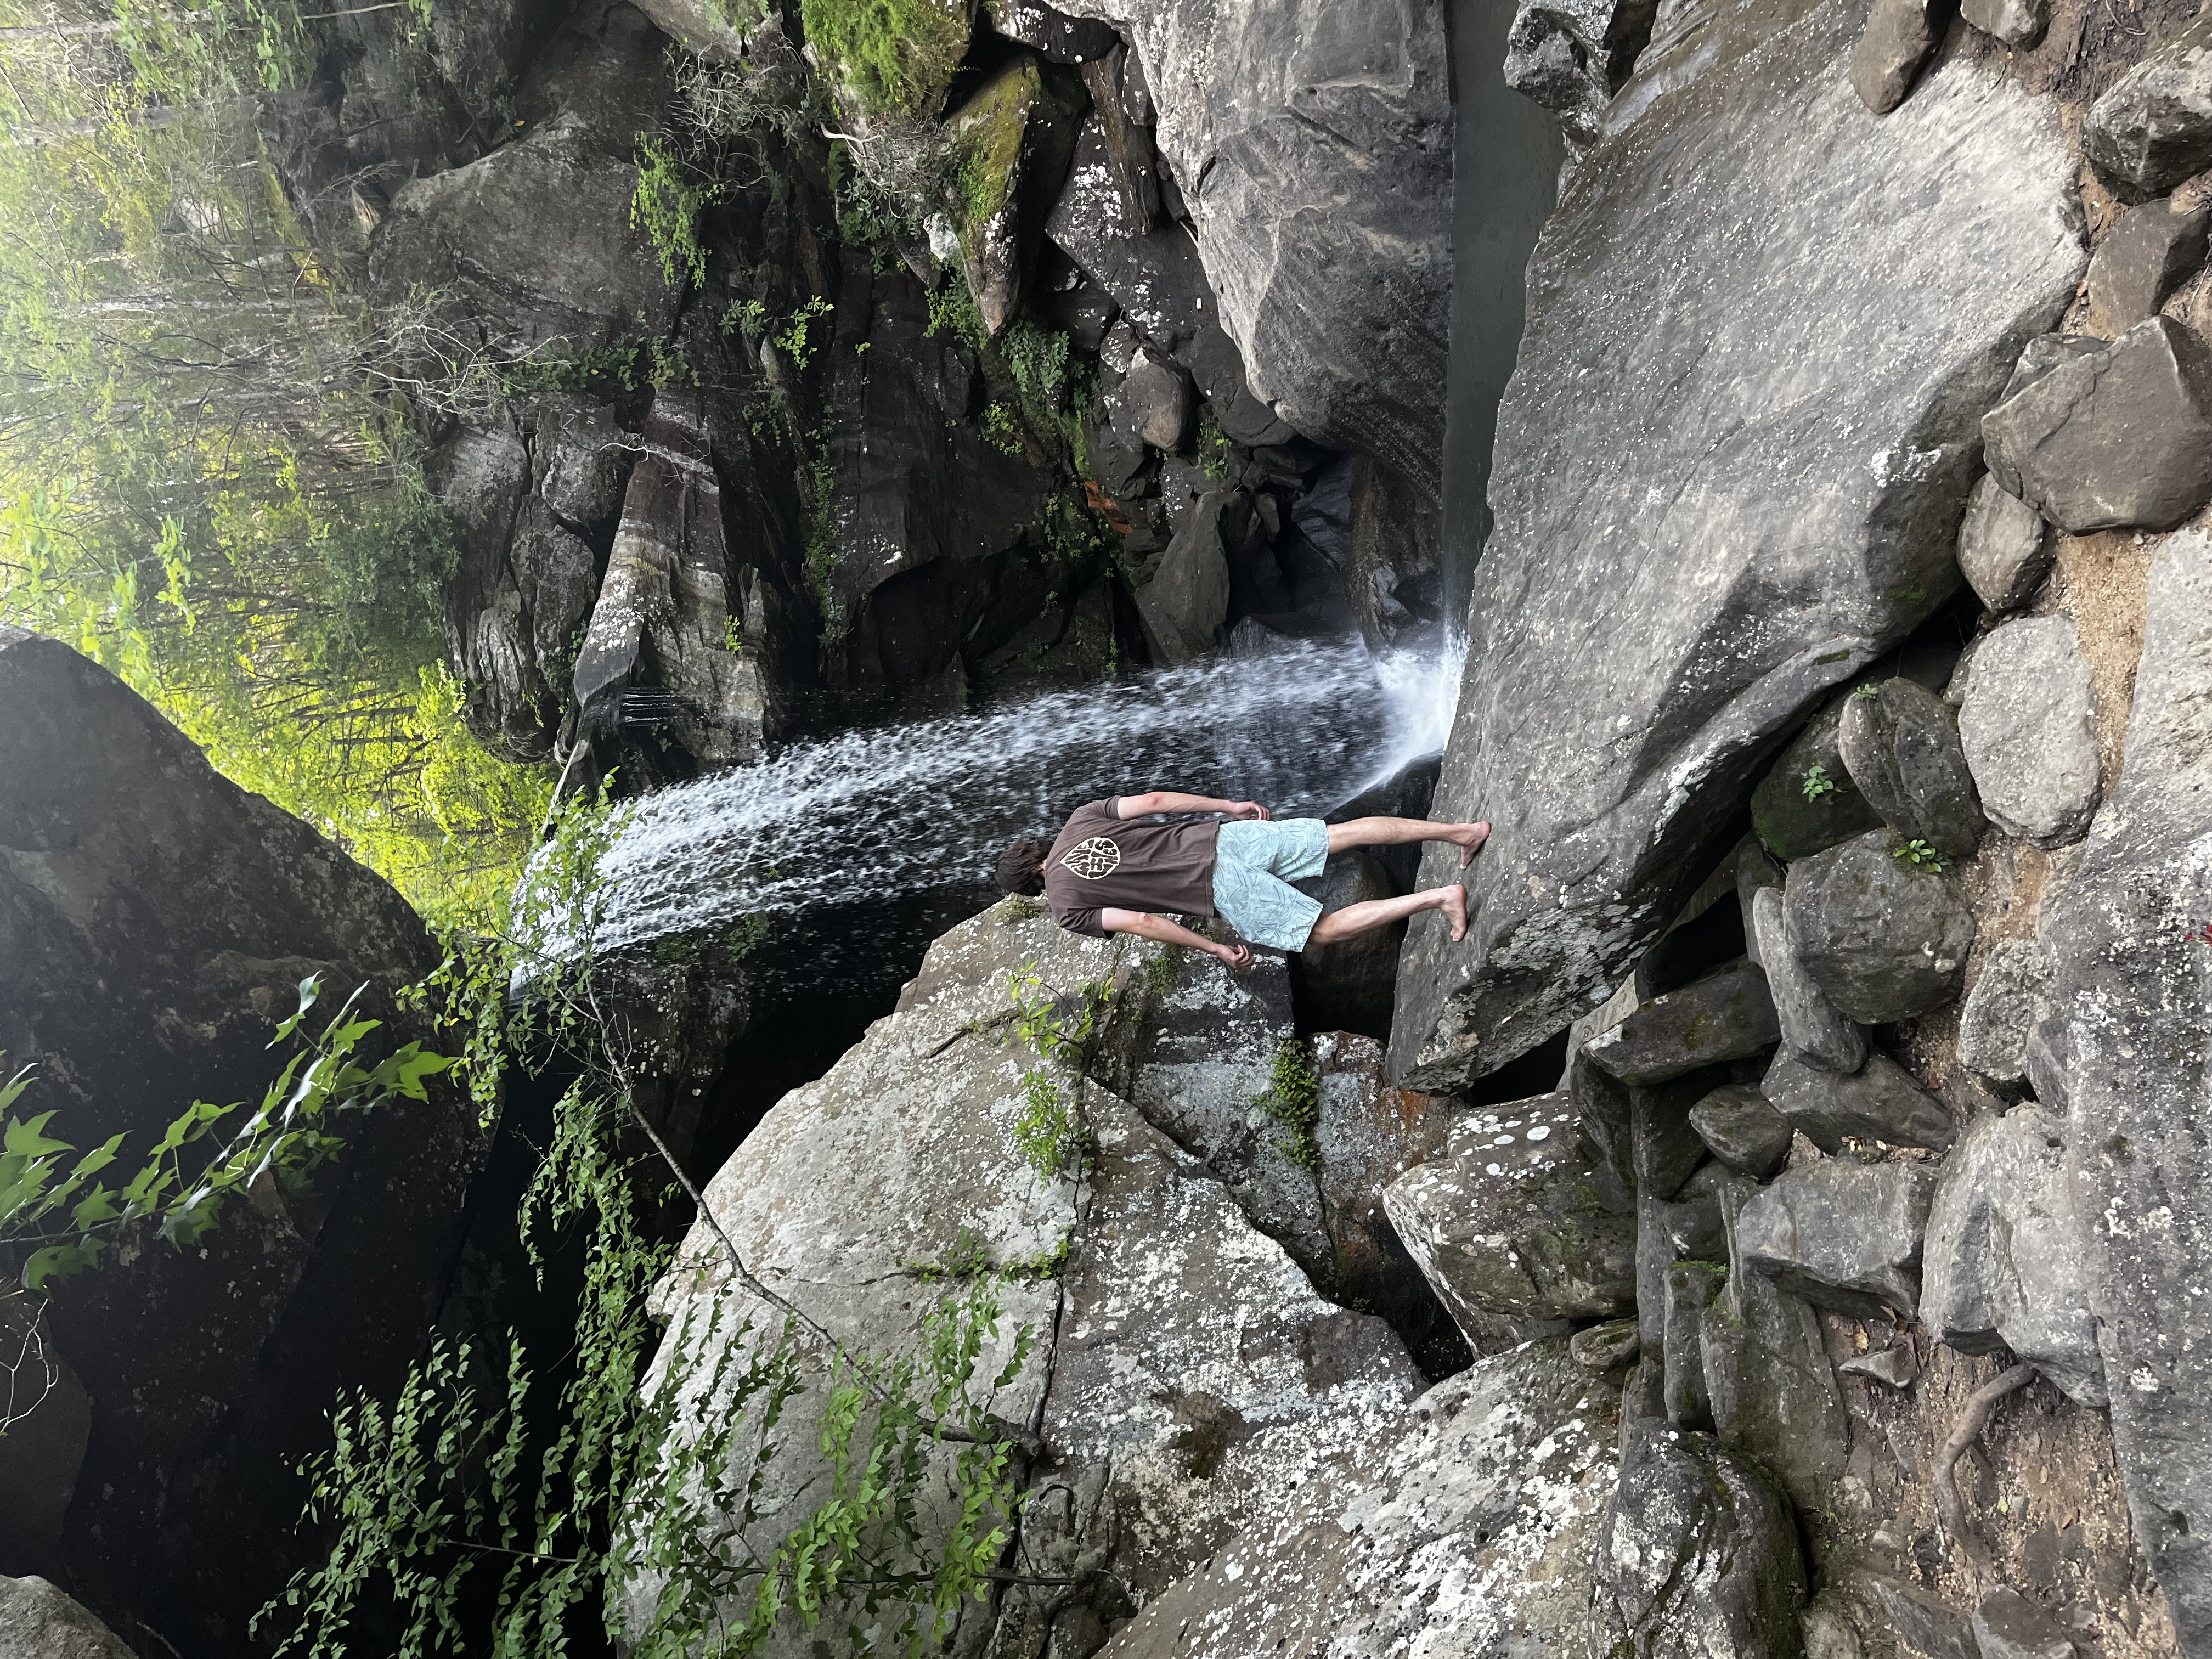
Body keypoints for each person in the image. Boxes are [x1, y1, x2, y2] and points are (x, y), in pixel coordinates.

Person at [994, 789, 1489, 970]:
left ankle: (1440, 897)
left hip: (1217, 889)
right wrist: (1229, 806)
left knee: (1323, 930)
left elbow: (1143, 920)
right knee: (1341, 834)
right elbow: (1156, 804)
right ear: (1033, 849)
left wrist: (1214, 950)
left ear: (1030, 887)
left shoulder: (1065, 909)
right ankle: (1462, 832)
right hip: (1225, 838)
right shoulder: (1081, 818)